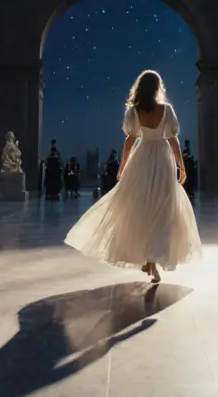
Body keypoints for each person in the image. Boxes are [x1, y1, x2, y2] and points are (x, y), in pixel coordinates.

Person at [64, 69, 202, 283]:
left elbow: (130, 140)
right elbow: (173, 140)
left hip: (142, 157)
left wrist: (123, 166)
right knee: (162, 209)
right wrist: (181, 167)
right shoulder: (167, 110)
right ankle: (151, 260)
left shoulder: (133, 112)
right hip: (162, 159)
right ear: (158, 88)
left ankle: (149, 259)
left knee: (140, 208)